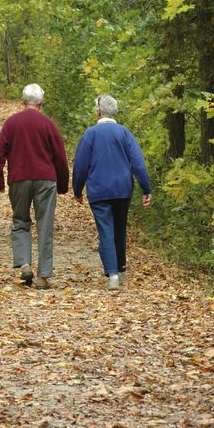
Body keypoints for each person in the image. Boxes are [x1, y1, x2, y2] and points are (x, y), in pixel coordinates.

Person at [0, 83, 69, 290]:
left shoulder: (12, 123)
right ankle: (43, 277)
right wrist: (62, 184)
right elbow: (60, 157)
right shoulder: (48, 124)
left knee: (20, 221)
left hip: (19, 178)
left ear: (23, 101)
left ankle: (25, 264)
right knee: (45, 225)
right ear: (41, 102)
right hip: (45, 180)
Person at [72, 94, 151, 291]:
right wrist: (146, 188)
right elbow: (138, 163)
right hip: (123, 189)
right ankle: (121, 269)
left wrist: (77, 189)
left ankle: (113, 274)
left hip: (99, 190)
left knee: (106, 231)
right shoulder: (124, 133)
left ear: (98, 112)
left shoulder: (90, 134)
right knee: (119, 229)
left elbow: (80, 165)